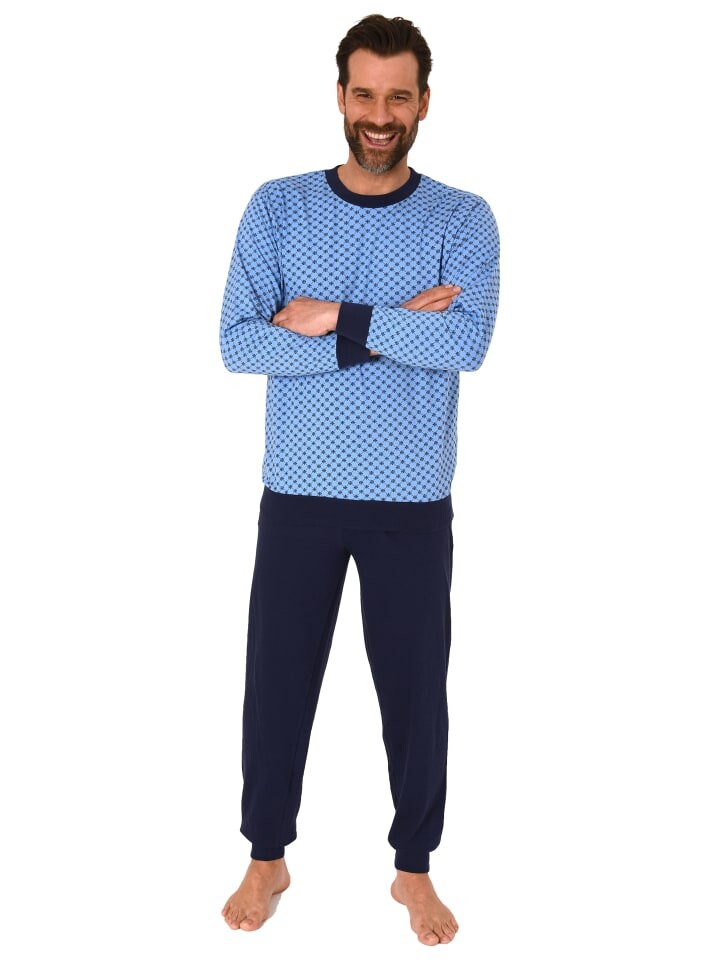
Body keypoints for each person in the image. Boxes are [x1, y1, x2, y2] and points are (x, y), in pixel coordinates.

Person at [219, 13, 499, 947]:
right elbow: (239, 344)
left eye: (399, 96)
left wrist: (334, 315)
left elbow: (465, 343)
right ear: (341, 96)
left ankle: (413, 869)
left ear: (425, 102)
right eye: (366, 94)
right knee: (277, 685)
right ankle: (267, 856)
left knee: (416, 694)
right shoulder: (278, 208)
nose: (381, 115)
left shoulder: (463, 218)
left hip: (410, 501)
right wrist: (393, 327)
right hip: (298, 492)